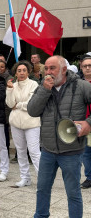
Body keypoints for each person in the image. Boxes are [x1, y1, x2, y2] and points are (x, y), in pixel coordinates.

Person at [28, 55, 91, 218]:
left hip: (72, 151)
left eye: (52, 68)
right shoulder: (43, 87)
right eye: (46, 69)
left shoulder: (81, 86)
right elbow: (32, 111)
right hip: (48, 150)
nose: (48, 72)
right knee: (42, 189)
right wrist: (44, 91)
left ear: (63, 70)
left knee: (73, 193)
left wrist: (88, 123)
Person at [6, 61, 40, 187]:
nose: (21, 73)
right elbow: (10, 104)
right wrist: (9, 90)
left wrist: (18, 105)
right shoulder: (12, 85)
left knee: (34, 152)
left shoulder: (34, 84)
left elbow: (32, 103)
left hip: (32, 122)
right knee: (20, 151)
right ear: (15, 72)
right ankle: (25, 177)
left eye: (24, 70)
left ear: (28, 72)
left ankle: (42, 180)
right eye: (19, 70)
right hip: (15, 123)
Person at [79, 54, 91, 189]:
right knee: (86, 152)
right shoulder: (78, 84)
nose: (88, 68)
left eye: (90, 66)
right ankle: (89, 177)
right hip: (83, 123)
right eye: (85, 66)